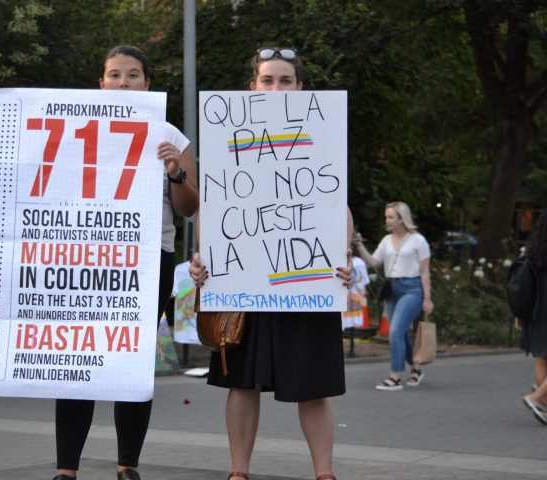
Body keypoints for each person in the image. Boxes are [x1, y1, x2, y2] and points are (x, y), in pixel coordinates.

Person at [189, 46, 353, 480]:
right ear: (252, 88)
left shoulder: (324, 135)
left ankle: (325, 474)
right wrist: (205, 258)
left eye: (285, 81)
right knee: (243, 383)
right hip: (246, 284)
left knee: (314, 386)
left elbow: (337, 203)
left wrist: (345, 254)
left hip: (307, 282)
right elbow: (215, 201)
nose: (276, 88)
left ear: (301, 88)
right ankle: (237, 473)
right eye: (268, 80)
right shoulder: (229, 137)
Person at [52, 45, 199, 480]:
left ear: (147, 84)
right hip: (88, 258)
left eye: (132, 75)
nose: (122, 82)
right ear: (100, 83)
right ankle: (66, 469)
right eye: (114, 74)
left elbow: (188, 208)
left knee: (132, 360)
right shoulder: (75, 127)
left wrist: (176, 173)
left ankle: (126, 465)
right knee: (77, 358)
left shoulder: (171, 135)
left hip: (149, 259)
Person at [352, 201, 434, 391]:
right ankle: (415, 367)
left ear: (401, 219)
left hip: (412, 289)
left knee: (395, 331)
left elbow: (425, 272)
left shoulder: (418, 240)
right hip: (391, 288)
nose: (387, 221)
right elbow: (373, 262)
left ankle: (395, 376)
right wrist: (360, 245)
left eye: (390, 217)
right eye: (386, 217)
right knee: (401, 333)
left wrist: (427, 298)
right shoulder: (386, 240)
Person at [515, 214, 547, 425]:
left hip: (537, 311)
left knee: (542, 359)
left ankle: (543, 406)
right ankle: (535, 397)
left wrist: (519, 314)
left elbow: (523, 286)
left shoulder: (532, 249)